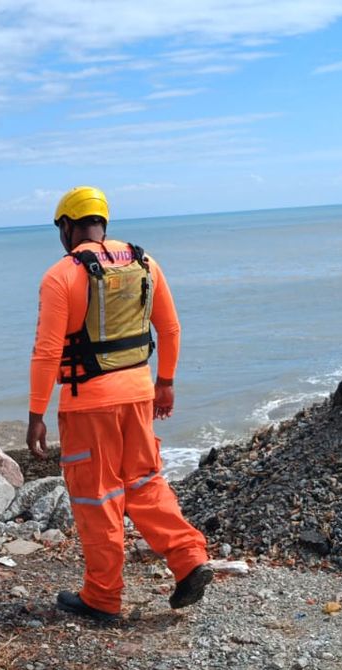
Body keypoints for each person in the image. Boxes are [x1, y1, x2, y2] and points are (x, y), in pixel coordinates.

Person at [27, 186, 212, 621]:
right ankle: (189, 559)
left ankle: (102, 597)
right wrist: (164, 382)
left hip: (87, 406)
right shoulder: (145, 263)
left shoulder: (60, 276)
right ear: (103, 222)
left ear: (67, 226)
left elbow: (47, 351)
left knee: (97, 497)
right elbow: (170, 329)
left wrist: (36, 413)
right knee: (146, 483)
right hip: (139, 394)